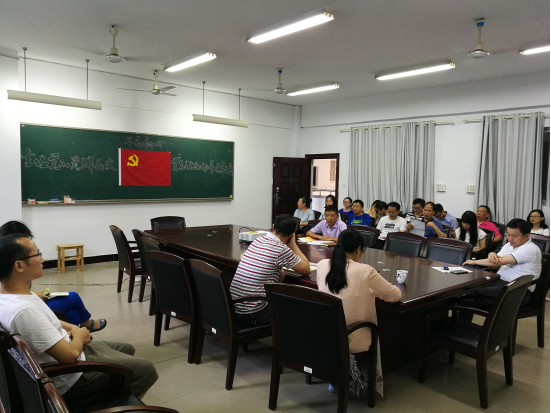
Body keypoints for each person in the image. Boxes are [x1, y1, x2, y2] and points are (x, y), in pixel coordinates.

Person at [0, 234, 158, 406]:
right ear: (19, 265)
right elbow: (69, 356)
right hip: (71, 376)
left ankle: (118, 390)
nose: (42, 259)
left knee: (128, 349)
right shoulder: (24, 311)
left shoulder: (10, 293)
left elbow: (47, 321)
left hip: (67, 345)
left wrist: (74, 329)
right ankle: (116, 403)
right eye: (37, 254)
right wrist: (80, 335)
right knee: (147, 370)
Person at [316, 229, 401, 391]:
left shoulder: (322, 264)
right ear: (358, 249)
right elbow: (395, 295)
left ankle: (340, 375)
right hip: (351, 339)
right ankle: (354, 374)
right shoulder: (365, 271)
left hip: (325, 334)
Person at [0, 221, 106, 332]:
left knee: (72, 314)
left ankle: (74, 337)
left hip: (25, 304)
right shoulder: (20, 306)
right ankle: (86, 326)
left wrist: (31, 294)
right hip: (25, 310)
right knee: (73, 297)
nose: (42, 259)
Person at [230, 214, 311, 326]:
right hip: (254, 314)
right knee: (296, 306)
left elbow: (244, 256)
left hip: (233, 308)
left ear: (273, 227)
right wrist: (293, 244)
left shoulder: (258, 240)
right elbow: (307, 269)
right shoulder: (280, 249)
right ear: (291, 235)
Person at [462, 219, 542, 317]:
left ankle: (463, 324)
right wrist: (492, 254)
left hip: (517, 290)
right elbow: (494, 264)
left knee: (470, 294)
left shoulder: (530, 249)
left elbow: (499, 261)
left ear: (527, 236)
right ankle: (457, 323)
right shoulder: (509, 245)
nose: (510, 239)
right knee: (466, 289)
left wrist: (474, 261)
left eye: (514, 236)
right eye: (508, 235)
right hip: (499, 282)